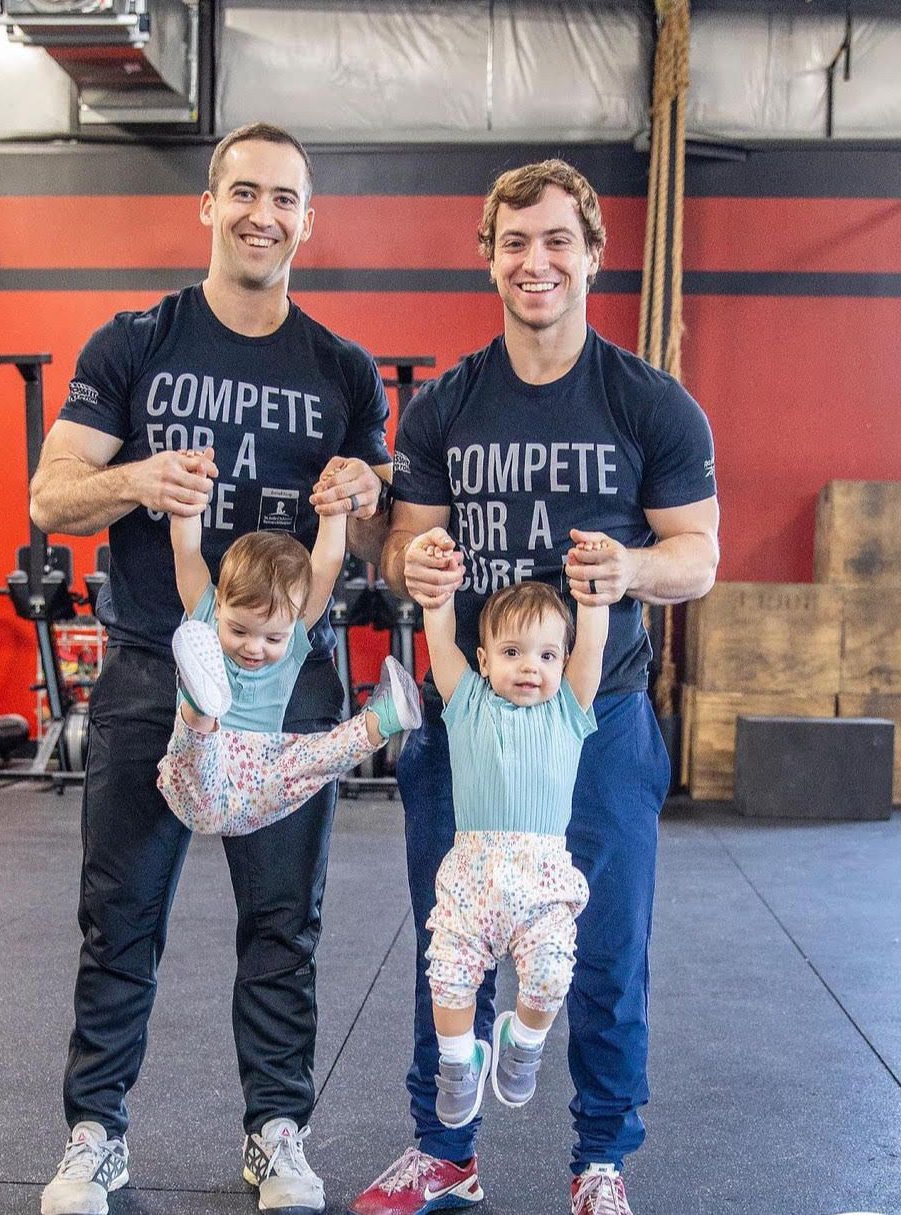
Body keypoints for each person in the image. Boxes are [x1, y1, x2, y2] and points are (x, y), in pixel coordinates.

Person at [31, 122, 394, 1215]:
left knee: (285, 922)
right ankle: (97, 1135)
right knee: (121, 916)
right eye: (244, 192)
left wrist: (363, 505)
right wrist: (139, 477)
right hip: (157, 666)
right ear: (208, 204)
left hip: (291, 686)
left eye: (285, 198)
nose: (262, 215)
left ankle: (275, 1133)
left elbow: (375, 542)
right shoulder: (133, 343)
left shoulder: (341, 370)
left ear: (307, 220)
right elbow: (51, 498)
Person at [350, 159, 719, 1215]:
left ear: (592, 255)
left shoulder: (651, 403)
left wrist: (634, 569)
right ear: (489, 258)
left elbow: (698, 555)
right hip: (470, 734)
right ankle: (446, 1152)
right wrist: (410, 565)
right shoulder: (446, 407)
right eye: (515, 242)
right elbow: (410, 549)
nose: (536, 260)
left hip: (594, 722)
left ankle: (598, 1158)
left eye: (558, 240)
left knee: (603, 950)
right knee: (448, 949)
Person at [420, 573, 607, 1133]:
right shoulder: (467, 704)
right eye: (512, 652)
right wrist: (437, 598)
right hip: (472, 880)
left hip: (543, 881)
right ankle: (460, 1063)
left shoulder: (568, 710)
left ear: (564, 662)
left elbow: (592, 645)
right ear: (482, 659)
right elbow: (439, 638)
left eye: (548, 655)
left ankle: (520, 1040)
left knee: (552, 976)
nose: (531, 666)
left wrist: (593, 596)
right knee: (447, 978)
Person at [158, 474, 421, 837]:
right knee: (197, 752)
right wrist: (188, 497)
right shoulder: (205, 613)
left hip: (261, 779)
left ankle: (386, 717)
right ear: (219, 605)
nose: (254, 647)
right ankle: (200, 705)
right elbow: (186, 552)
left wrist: (333, 513)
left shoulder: (296, 633)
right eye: (238, 631)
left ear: (294, 623)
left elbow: (326, 564)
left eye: (272, 638)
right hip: (201, 782)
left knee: (313, 759)